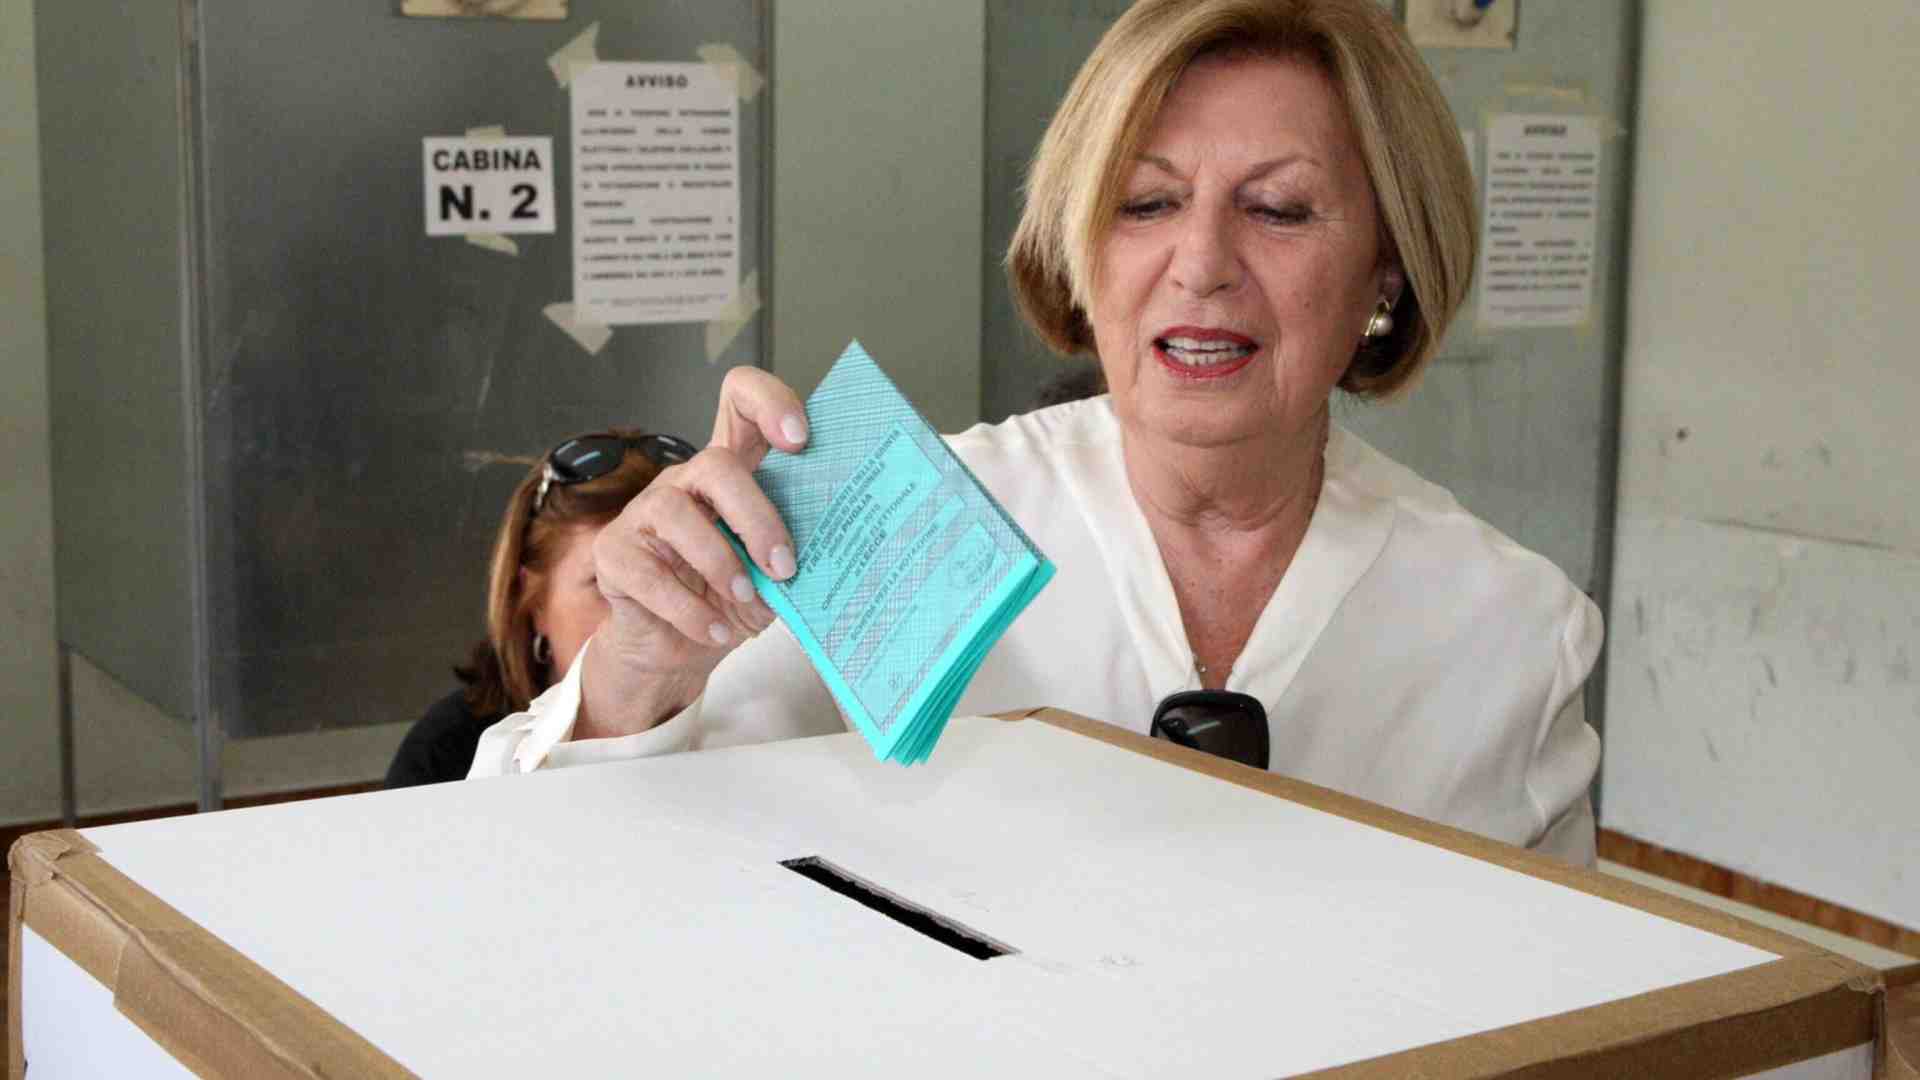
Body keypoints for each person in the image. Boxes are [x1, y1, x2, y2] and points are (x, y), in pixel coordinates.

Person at [469, 0, 1604, 866]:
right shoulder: (890, 530)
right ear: (1078, 249)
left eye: (1278, 209)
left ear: (1385, 275)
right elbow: (528, 873)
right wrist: (636, 677)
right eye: (1146, 203)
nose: (1201, 264)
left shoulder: (1508, 631)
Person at [384, 430, 692, 787]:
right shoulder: (445, 757)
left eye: (682, 575)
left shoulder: (737, 722)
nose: (651, 609)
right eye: (606, 583)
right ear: (533, 600)